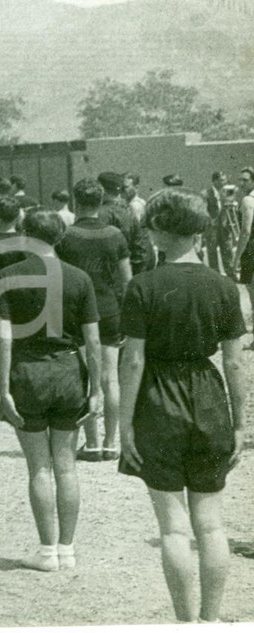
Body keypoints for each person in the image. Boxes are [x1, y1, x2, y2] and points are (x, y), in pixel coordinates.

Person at [118, 188, 246, 622]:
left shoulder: (143, 286)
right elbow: (234, 362)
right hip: (209, 397)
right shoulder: (224, 286)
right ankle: (211, 621)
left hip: (158, 397)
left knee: (173, 527)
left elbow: (133, 359)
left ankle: (186, 624)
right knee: (211, 524)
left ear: (159, 231)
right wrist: (242, 423)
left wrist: (125, 425)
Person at [0, 210, 103, 571]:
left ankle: (46, 552)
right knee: (66, 466)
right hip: (69, 371)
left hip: (28, 372)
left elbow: (4, 341)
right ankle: (68, 549)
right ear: (61, 236)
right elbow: (92, 341)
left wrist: (3, 389)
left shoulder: (7, 277)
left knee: (39, 467)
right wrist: (96, 388)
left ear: (24, 235)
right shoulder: (79, 278)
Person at [56, 179, 131, 461]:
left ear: (76, 202)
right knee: (111, 378)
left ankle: (92, 442)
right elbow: (127, 280)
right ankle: (112, 443)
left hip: (77, 314)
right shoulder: (115, 234)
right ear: (101, 203)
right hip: (110, 310)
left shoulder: (65, 236)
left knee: (85, 376)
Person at [97, 171, 155, 275]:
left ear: (101, 189)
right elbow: (141, 244)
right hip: (134, 268)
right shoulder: (128, 210)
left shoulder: (102, 213)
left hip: (114, 274)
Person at [233, 167, 254, 347]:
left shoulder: (248, 200)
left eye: (245, 180)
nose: (241, 184)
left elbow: (245, 231)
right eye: (240, 180)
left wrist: (236, 256)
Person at [203, 172, 234, 277]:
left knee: (227, 249)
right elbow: (203, 210)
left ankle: (230, 273)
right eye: (222, 180)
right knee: (212, 251)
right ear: (215, 181)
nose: (225, 182)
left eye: (225, 180)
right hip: (212, 227)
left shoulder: (228, 191)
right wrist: (210, 220)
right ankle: (215, 274)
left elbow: (231, 208)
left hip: (225, 226)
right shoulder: (206, 193)